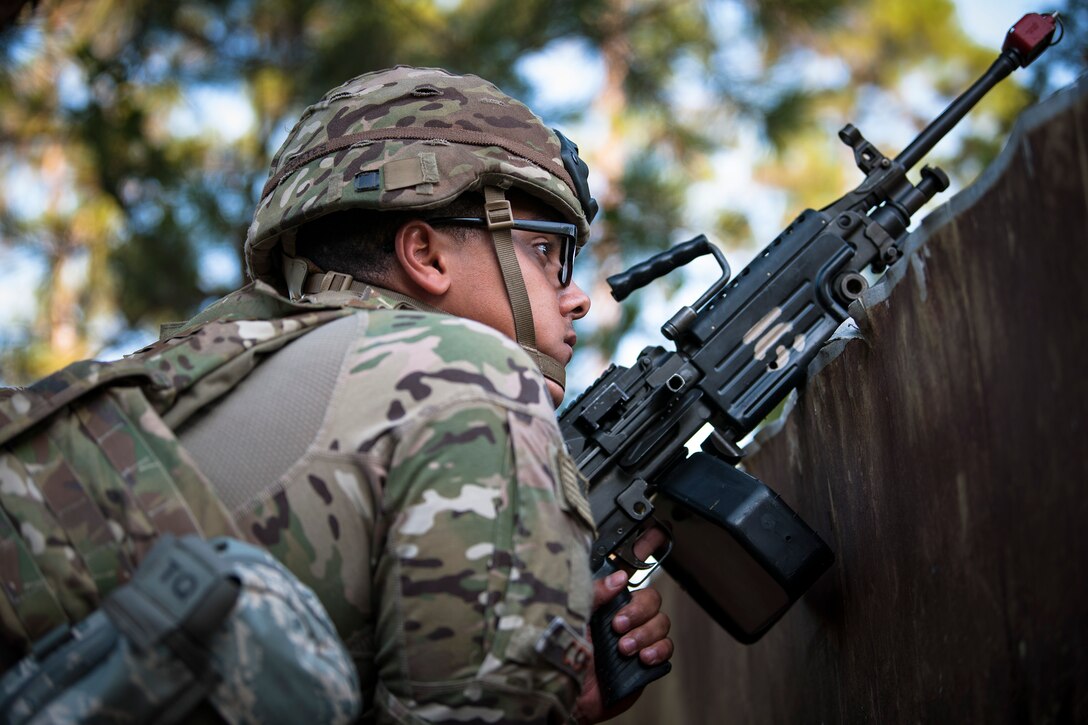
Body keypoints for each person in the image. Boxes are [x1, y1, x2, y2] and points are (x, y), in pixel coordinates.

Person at [168, 65, 672, 723]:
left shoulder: (216, 376)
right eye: (546, 252)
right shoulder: (468, 379)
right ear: (426, 256)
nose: (574, 295)